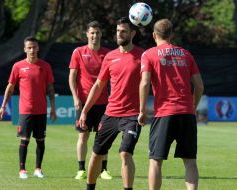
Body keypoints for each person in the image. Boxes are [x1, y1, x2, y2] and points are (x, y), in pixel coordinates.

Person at [138, 19, 204, 190]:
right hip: (187, 114)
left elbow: (144, 83)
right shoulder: (186, 54)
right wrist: (192, 106)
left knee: (155, 161)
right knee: (190, 161)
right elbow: (199, 86)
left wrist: (142, 110)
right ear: (171, 35)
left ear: (154, 35)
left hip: (164, 114)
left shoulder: (149, 54)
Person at [79, 17, 144, 190]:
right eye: (118, 31)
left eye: (123, 31)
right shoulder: (110, 57)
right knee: (96, 155)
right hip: (110, 114)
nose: (120, 34)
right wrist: (85, 110)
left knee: (125, 153)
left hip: (132, 115)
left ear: (133, 33)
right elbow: (98, 85)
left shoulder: (142, 56)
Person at [0, 36, 56, 179]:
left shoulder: (45, 66)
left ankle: (38, 169)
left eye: (34, 47)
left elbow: (50, 89)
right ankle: (22, 170)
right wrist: (3, 106)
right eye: (29, 47)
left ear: (38, 48)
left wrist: (53, 108)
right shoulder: (18, 66)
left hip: (41, 110)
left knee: (40, 140)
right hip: (25, 111)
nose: (32, 50)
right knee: (24, 140)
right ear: (24, 49)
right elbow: (10, 87)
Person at [69, 21, 112, 180]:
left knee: (103, 137)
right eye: (92, 33)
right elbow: (72, 77)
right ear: (87, 34)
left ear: (101, 35)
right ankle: (81, 169)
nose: (95, 36)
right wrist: (75, 97)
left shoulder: (108, 54)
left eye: (98, 33)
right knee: (83, 136)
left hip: (103, 103)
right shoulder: (78, 52)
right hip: (83, 102)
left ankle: (104, 170)